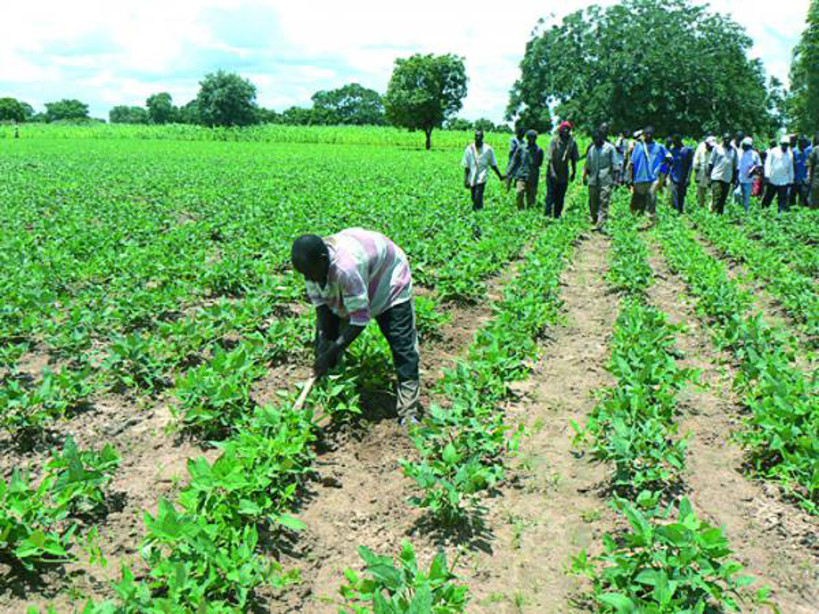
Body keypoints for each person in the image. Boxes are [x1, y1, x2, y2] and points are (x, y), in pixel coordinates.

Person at [291, 229, 421, 427]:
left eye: (311, 274)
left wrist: (332, 351)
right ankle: (328, 398)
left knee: (402, 345)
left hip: (388, 277)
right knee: (326, 344)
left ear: (323, 259)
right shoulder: (311, 268)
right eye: (305, 275)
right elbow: (322, 309)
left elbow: (360, 320)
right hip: (363, 274)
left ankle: (408, 412)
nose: (310, 279)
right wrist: (325, 343)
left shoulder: (345, 269)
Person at [628, 126, 670, 219]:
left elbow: (668, 160)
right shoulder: (638, 147)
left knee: (651, 201)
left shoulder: (659, 147)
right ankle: (637, 220)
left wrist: (661, 175)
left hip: (652, 179)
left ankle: (650, 220)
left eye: (650, 134)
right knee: (637, 203)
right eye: (646, 134)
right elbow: (632, 164)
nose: (648, 136)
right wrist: (630, 179)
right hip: (639, 179)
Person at [583, 129, 617, 232]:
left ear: (602, 138)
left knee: (603, 201)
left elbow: (615, 165)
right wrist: (584, 176)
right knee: (593, 201)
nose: (595, 141)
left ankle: (601, 224)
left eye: (597, 138)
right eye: (594, 139)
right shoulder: (592, 149)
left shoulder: (610, 148)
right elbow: (587, 164)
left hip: (605, 179)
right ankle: (594, 219)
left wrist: (615, 180)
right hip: (593, 179)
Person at [462, 130, 504, 211]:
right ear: (474, 137)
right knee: (474, 197)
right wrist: (466, 179)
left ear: (482, 137)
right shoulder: (469, 149)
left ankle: (476, 212)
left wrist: (499, 176)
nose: (478, 138)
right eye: (476, 136)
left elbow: (493, 164)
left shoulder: (488, 149)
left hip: (482, 176)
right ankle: (479, 210)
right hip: (472, 177)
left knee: (478, 195)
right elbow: (466, 166)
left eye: (479, 136)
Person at [545, 121, 579, 218]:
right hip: (552, 172)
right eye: (564, 129)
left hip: (563, 173)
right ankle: (547, 214)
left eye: (567, 129)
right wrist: (552, 173)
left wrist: (574, 172)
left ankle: (557, 214)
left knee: (560, 195)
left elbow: (573, 158)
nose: (565, 131)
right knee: (550, 195)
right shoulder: (554, 141)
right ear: (560, 130)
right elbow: (549, 159)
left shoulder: (572, 143)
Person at [507, 130, 544, 210]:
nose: (532, 139)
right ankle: (520, 210)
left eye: (534, 138)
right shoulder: (521, 148)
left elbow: (539, 163)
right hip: (521, 175)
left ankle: (529, 213)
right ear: (527, 138)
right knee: (519, 192)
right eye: (530, 138)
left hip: (533, 176)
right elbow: (514, 161)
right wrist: (509, 173)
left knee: (531, 197)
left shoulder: (539, 150)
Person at [708, 133, 738, 215]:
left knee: (723, 199)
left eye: (728, 139)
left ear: (731, 140)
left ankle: (720, 216)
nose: (727, 140)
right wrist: (708, 178)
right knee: (716, 197)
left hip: (727, 178)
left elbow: (735, 166)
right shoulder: (717, 149)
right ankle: (713, 216)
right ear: (722, 139)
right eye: (725, 138)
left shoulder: (734, 151)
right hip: (716, 177)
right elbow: (710, 163)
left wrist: (734, 179)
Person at [764, 136, 794, 213]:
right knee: (768, 197)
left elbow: (791, 168)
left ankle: (780, 215)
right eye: (784, 144)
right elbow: (767, 163)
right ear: (780, 144)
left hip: (783, 180)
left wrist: (791, 180)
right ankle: (763, 211)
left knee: (782, 200)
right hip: (772, 179)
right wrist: (767, 175)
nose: (785, 146)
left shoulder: (790, 154)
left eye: (787, 145)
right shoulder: (773, 151)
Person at [669, 134, 694, 213]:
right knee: (674, 194)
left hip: (683, 177)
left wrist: (688, 177)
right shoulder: (672, 151)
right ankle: (675, 212)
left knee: (681, 195)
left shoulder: (687, 151)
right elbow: (666, 164)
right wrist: (662, 173)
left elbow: (690, 166)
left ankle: (680, 211)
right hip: (673, 177)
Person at [736, 137, 762, 213]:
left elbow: (759, 166)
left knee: (746, 199)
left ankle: (745, 214)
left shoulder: (755, 154)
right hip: (739, 179)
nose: (743, 146)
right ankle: (736, 210)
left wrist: (753, 171)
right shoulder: (740, 153)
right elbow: (737, 166)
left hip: (749, 180)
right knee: (736, 194)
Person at [692, 136, 716, 210]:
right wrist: (696, 175)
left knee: (711, 195)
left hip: (712, 175)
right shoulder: (701, 147)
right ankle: (700, 209)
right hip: (701, 174)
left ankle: (710, 211)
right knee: (700, 193)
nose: (711, 147)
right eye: (709, 145)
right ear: (706, 144)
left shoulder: (716, 149)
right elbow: (696, 160)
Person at [791, 136, 811, 208]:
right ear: (799, 143)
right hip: (794, 179)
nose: (803, 146)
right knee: (792, 197)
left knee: (803, 197)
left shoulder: (807, 152)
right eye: (802, 144)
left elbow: (808, 165)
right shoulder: (794, 151)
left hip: (804, 179)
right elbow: (792, 165)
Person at [506, 126, 525, 191]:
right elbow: (511, 150)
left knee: (517, 177)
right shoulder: (513, 140)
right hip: (512, 160)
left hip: (520, 162)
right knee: (509, 175)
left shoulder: (524, 141)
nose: (522, 135)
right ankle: (507, 190)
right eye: (521, 133)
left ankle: (514, 189)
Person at [810, 132, 819, 208]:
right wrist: (809, 177)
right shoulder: (815, 149)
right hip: (816, 177)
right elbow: (811, 165)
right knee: (814, 197)